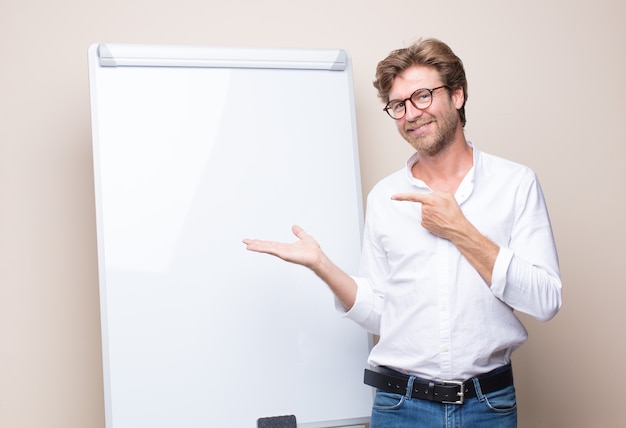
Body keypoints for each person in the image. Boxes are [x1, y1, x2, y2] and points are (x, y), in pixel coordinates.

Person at [243, 38, 562, 427]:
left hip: (487, 406)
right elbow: (382, 314)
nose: (412, 113)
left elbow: (545, 300)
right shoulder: (385, 198)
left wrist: (460, 230)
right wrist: (322, 266)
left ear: (458, 95)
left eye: (423, 96)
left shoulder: (516, 184)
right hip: (400, 407)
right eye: (399, 105)